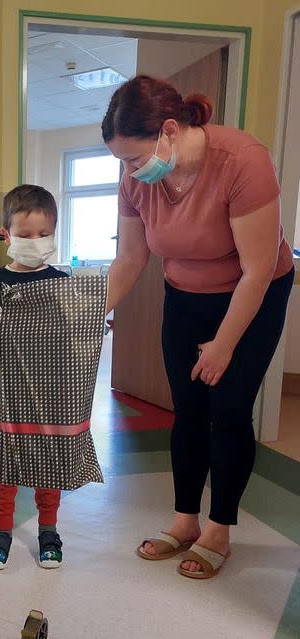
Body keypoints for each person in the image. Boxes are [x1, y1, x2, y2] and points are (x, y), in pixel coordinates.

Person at [102, 75, 294, 580]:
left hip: (254, 294)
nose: (128, 171)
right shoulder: (138, 182)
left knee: (229, 409)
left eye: (133, 158)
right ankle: (185, 520)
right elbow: (129, 258)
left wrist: (224, 345)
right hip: (184, 294)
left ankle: (219, 528)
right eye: (121, 160)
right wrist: (89, 315)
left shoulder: (241, 161)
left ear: (169, 130)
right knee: (187, 408)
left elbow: (257, 270)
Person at [0, 184, 68, 571]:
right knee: (3, 464)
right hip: (4, 390)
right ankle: (1, 531)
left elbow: (71, 339)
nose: (36, 241)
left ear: (54, 232)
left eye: (44, 234)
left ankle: (48, 529)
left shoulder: (62, 283)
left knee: (47, 461)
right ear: (6, 235)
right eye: (25, 234)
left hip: (49, 392)